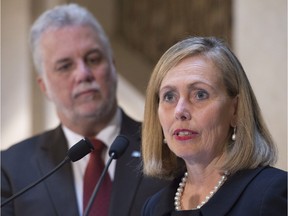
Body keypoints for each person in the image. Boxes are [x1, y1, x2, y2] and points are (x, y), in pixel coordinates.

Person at [1, 3, 168, 216]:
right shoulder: (10, 168)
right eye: (65, 66)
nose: (83, 74)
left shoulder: (166, 148)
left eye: (93, 59)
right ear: (44, 87)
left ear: (113, 66)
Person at [141, 36, 287, 216]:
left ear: (236, 110)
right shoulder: (154, 208)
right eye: (169, 96)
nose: (180, 111)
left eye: (200, 94)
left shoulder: (271, 194)